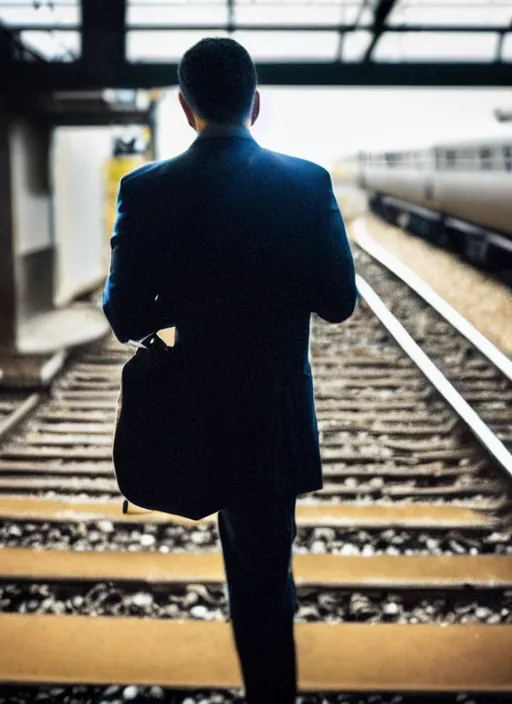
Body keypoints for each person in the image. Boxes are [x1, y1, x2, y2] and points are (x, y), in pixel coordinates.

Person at [103, 37, 358, 704]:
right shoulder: (307, 182)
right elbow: (338, 303)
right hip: (271, 415)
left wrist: (186, 292)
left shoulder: (147, 189)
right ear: (256, 103)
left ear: (185, 108)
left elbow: (126, 315)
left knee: (249, 570)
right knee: (265, 580)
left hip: (188, 412)